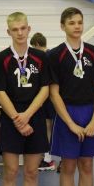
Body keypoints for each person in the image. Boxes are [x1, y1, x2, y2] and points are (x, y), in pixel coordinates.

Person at [0, 12, 51, 186]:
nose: (19, 33)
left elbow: (45, 89)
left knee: (31, 171)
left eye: (23, 28)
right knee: (10, 171)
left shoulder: (41, 57)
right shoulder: (1, 59)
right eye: (15, 29)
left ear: (29, 29)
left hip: (34, 116)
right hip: (11, 118)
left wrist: (27, 116)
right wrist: (18, 119)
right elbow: (0, 92)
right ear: (8, 32)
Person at [48, 8, 94, 186]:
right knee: (68, 166)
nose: (77, 26)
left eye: (80, 22)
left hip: (89, 112)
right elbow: (54, 93)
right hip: (67, 114)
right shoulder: (55, 55)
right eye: (72, 23)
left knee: (87, 165)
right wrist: (70, 124)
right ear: (63, 26)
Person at [30, 32, 56, 172]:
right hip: (47, 96)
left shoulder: (46, 57)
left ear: (37, 45)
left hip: (49, 97)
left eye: (33, 47)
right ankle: (46, 156)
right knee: (47, 126)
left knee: (48, 126)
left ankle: (48, 158)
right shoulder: (49, 55)